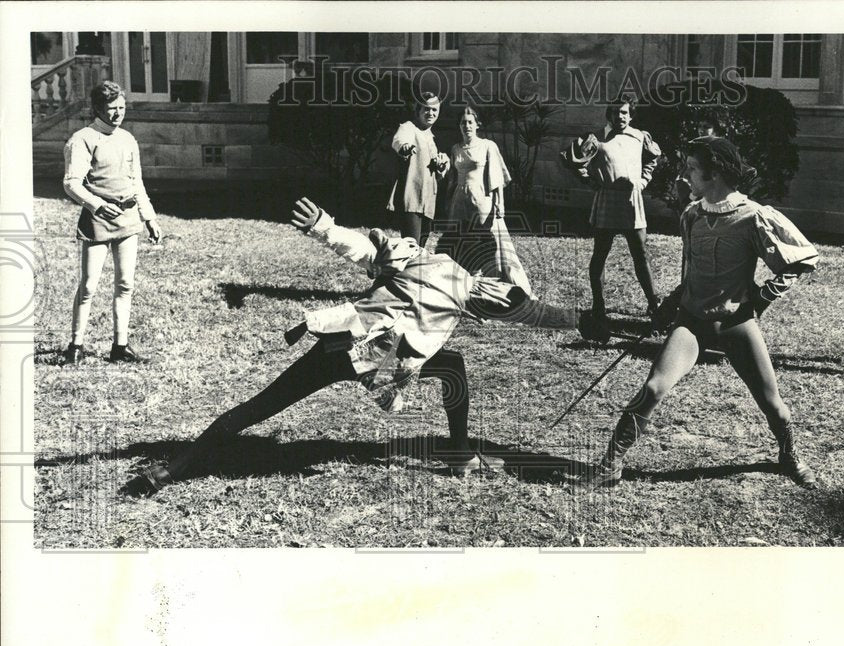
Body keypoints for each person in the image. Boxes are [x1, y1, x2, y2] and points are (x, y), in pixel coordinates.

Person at [124, 198, 596, 496]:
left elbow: (365, 250)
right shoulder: (467, 284)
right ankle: (457, 452)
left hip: (342, 339)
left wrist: (323, 226)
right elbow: (529, 311)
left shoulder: (420, 255)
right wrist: (584, 320)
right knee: (451, 369)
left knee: (264, 405)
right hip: (375, 355)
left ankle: (172, 469)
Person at [586, 137, 819, 488]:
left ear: (716, 173)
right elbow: (691, 271)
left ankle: (789, 456)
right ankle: (611, 463)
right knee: (653, 388)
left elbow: (804, 259)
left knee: (772, 404)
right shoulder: (692, 215)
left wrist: (761, 297)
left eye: (692, 168)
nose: (685, 175)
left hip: (736, 324)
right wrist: (670, 304)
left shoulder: (753, 216)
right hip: (691, 323)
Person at [62, 80, 162, 365]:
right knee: (89, 285)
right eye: (112, 108)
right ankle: (76, 346)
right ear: (97, 108)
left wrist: (149, 217)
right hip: (98, 221)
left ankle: (120, 346)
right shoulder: (82, 139)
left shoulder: (128, 139)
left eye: (122, 107)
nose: (118, 114)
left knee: (125, 284)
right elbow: (72, 183)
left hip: (129, 221)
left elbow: (136, 182)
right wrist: (97, 205)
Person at [562, 96, 661, 320]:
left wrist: (643, 181)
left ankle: (654, 304)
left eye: (625, 112)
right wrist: (588, 179)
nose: (620, 117)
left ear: (631, 114)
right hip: (607, 200)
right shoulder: (596, 138)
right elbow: (571, 159)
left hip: (632, 201)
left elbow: (652, 159)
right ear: (610, 115)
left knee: (641, 254)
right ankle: (599, 305)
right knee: (600, 254)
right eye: (616, 113)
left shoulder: (639, 137)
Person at [437, 107, 532, 294]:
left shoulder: (488, 146)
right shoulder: (455, 148)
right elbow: (452, 178)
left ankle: (489, 286)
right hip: (459, 201)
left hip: (481, 201)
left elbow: (497, 176)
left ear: (477, 124)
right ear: (459, 125)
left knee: (484, 243)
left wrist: (500, 203)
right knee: (460, 241)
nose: (467, 126)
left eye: (470, 122)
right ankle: (461, 285)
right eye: (463, 122)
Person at [386, 92, 449, 247]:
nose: (431, 113)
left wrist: (442, 164)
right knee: (411, 247)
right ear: (419, 110)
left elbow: (437, 173)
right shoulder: (408, 127)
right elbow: (399, 141)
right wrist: (404, 147)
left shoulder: (432, 138)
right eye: (427, 109)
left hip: (428, 201)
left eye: (435, 110)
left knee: (420, 248)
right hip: (411, 198)